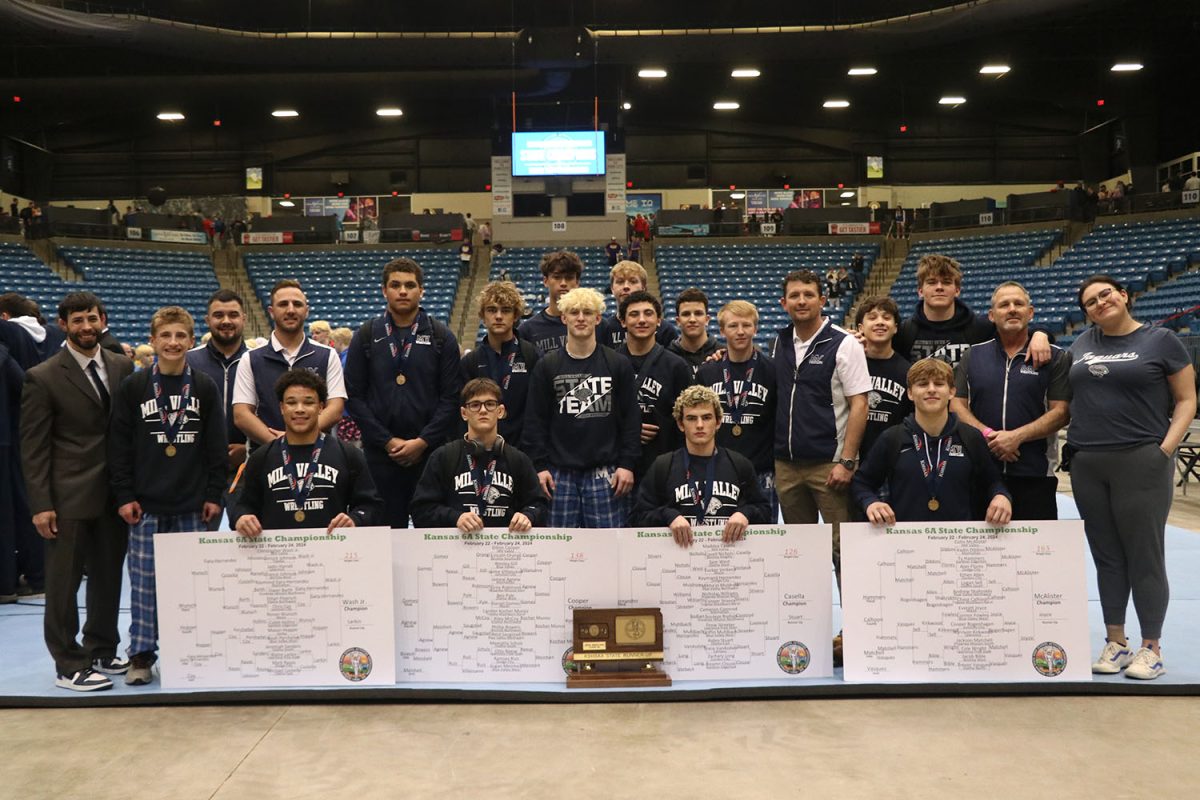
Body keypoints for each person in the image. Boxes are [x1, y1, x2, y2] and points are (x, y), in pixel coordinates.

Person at [1067, 275, 1196, 680]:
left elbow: (1187, 399)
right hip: (1089, 463)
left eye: (1105, 294)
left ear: (1123, 296)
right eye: (1090, 301)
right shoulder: (1080, 345)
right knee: (1107, 557)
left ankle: (1151, 647)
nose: (1099, 302)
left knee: (1145, 555)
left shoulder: (1161, 341)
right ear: (1086, 312)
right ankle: (1117, 642)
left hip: (1141, 459)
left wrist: (1165, 449)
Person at [20, 291, 134, 691]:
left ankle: (101, 646)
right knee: (64, 583)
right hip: (65, 496)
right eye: (77, 321)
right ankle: (68, 664)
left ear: (102, 319)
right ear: (63, 324)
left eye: (92, 319)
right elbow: (33, 448)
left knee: (107, 576)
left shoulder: (122, 365)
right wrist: (40, 504)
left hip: (114, 493)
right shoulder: (43, 376)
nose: (86, 327)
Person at [108, 307, 227, 686]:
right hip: (146, 505)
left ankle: (193, 650)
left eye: (181, 336)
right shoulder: (135, 387)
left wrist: (215, 495)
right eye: (166, 336)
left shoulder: (205, 386)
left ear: (192, 341)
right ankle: (141, 655)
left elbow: (216, 448)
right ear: (153, 340)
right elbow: (119, 446)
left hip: (194, 505)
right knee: (144, 586)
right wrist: (124, 494)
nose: (173, 343)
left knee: (195, 583)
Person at [345, 258, 462, 528]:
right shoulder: (366, 334)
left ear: (421, 291)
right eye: (395, 285)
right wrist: (386, 441)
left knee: (433, 533)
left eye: (410, 285)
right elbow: (355, 396)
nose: (403, 291)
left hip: (431, 454)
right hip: (380, 455)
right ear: (384, 290)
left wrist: (422, 442)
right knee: (386, 533)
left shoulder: (441, 336)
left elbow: (451, 398)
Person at [771, 270, 869, 592]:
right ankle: (809, 625)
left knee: (844, 551)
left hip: (829, 467)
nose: (802, 301)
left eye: (809, 295)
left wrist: (847, 461)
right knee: (799, 554)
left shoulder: (844, 344)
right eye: (795, 296)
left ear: (822, 300)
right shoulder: (780, 340)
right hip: (786, 467)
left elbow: (859, 404)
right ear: (784, 303)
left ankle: (853, 632)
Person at [950, 282, 1070, 520]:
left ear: (1031, 312)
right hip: (980, 470)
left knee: (1036, 552)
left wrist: (1017, 437)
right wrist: (990, 437)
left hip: (1034, 473)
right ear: (992, 316)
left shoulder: (1055, 356)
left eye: (1019, 304)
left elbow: (1061, 412)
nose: (1012, 309)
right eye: (1004, 305)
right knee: (979, 555)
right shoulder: (973, 355)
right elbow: (956, 405)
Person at [524, 287, 640, 528]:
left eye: (587, 312)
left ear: (598, 318)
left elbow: (631, 419)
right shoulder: (547, 365)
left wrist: (627, 464)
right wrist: (540, 466)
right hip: (558, 473)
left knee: (607, 548)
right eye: (574, 312)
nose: (580, 318)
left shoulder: (618, 363)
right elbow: (535, 421)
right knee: (559, 550)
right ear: (563, 318)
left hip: (605, 472)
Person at [851, 358, 1013, 525]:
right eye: (922, 384)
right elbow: (861, 483)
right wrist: (870, 502)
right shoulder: (893, 438)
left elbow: (993, 481)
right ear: (910, 393)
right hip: (904, 542)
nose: (931, 390)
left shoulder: (970, 437)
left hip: (958, 542)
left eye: (939, 383)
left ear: (952, 392)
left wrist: (1001, 496)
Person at [230, 370, 383, 535]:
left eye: (308, 402)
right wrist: (242, 517)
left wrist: (355, 519)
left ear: (321, 407)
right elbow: (242, 506)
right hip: (278, 556)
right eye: (291, 402)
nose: (299, 409)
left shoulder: (348, 455)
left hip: (333, 553)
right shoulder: (261, 458)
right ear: (282, 408)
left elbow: (371, 506)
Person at [632, 385, 772, 547]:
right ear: (680, 424)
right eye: (691, 418)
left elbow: (765, 512)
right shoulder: (663, 466)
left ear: (718, 422)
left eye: (706, 418)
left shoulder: (740, 464)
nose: (699, 425)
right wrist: (667, 516)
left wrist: (745, 513)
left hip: (728, 562)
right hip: (678, 562)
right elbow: (637, 518)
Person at [412, 378, 548, 532]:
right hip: (457, 550)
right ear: (464, 413)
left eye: (490, 404)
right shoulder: (443, 456)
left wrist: (529, 515)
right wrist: (455, 517)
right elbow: (420, 511)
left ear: (500, 411)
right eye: (475, 405)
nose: (483, 410)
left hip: (505, 551)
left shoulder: (518, 460)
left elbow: (540, 506)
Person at [232, 280, 346, 449]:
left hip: (319, 457)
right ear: (271, 311)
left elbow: (335, 408)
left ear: (306, 311)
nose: (291, 310)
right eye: (283, 304)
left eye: (297, 304)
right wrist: (280, 445)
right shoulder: (251, 358)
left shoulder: (327, 355)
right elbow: (241, 414)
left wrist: (300, 438)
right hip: (267, 457)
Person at [695, 300, 778, 517]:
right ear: (722, 330)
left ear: (756, 328)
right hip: (717, 468)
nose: (740, 332)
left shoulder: (773, 371)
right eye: (733, 326)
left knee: (762, 536)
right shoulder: (707, 372)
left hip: (762, 471)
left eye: (746, 325)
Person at [893, 254, 1051, 366]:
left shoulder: (980, 328)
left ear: (957, 290)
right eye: (932, 282)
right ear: (920, 290)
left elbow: (1017, 331)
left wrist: (1040, 334)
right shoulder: (905, 331)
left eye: (946, 282)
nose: (939, 287)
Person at [187, 289, 249, 529]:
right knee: (199, 547)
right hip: (199, 473)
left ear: (244, 318)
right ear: (207, 320)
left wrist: (248, 448)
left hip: (246, 470)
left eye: (233, 314)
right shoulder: (188, 362)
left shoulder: (258, 361)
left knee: (250, 547)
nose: (226, 321)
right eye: (218, 315)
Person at [616, 291, 691, 479]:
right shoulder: (610, 363)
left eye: (648, 313)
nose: (641, 320)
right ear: (622, 321)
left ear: (659, 320)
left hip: (664, 467)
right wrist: (630, 429)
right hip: (618, 468)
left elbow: (686, 419)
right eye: (634, 314)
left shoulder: (677, 366)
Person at [460, 281, 540, 447]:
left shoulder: (531, 355)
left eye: (505, 310)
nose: (498, 316)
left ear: (516, 315)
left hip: (524, 450)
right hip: (481, 449)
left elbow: (539, 409)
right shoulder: (471, 361)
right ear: (482, 316)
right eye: (491, 310)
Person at [854, 297, 913, 463]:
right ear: (860, 327)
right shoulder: (847, 366)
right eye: (872, 318)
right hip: (851, 459)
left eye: (886, 318)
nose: (880, 322)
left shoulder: (908, 372)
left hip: (892, 460)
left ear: (895, 328)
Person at [598, 260, 678, 350]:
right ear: (612, 288)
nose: (626, 287)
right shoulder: (604, 329)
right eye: (620, 282)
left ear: (643, 287)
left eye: (633, 281)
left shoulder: (665, 330)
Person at [517, 250, 582, 355]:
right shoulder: (527, 330)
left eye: (569, 278)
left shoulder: (592, 325)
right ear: (545, 281)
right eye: (557, 277)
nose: (563, 283)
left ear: (577, 282)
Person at [667, 288, 719, 376]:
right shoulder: (666, 358)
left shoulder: (722, 355)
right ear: (678, 321)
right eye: (686, 314)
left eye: (698, 313)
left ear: (707, 320)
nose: (692, 319)